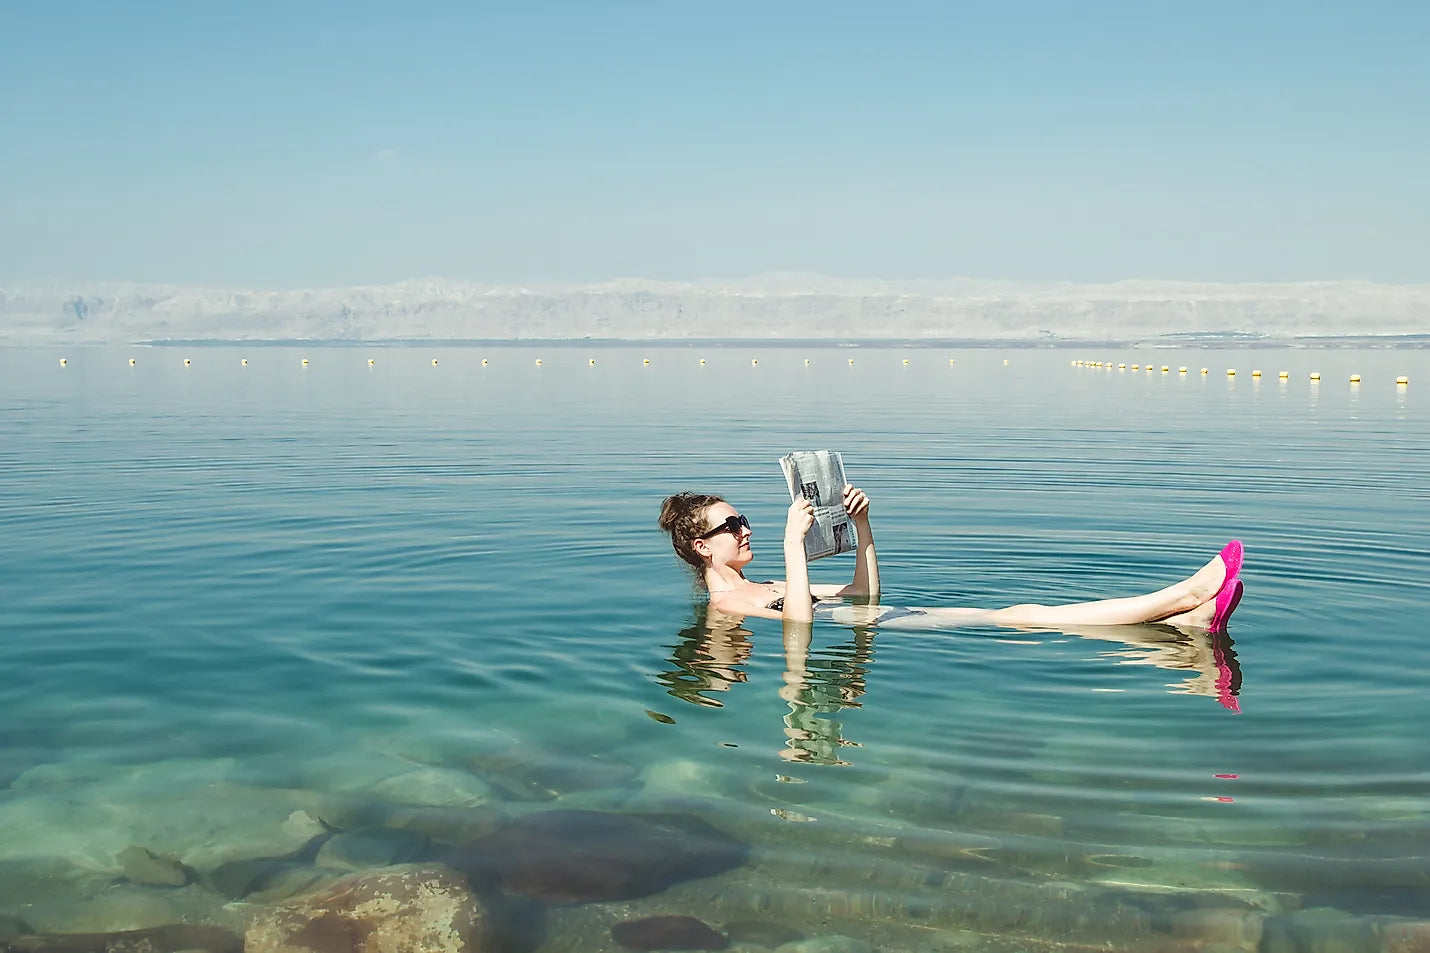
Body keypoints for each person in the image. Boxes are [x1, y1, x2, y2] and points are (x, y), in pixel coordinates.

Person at [657, 487, 1245, 631]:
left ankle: (1185, 620)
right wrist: (792, 545)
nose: (744, 527)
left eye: (743, 519)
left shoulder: (758, 582)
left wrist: (862, 529)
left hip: (891, 619)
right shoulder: (730, 598)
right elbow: (799, 631)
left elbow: (863, 596)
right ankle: (1184, 594)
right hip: (907, 632)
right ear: (701, 547)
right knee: (1024, 615)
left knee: (1027, 612)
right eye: (730, 526)